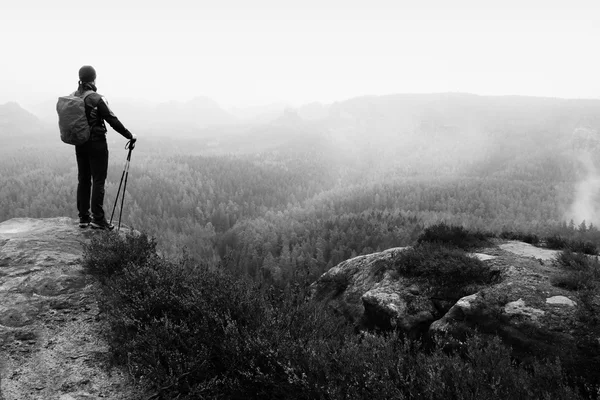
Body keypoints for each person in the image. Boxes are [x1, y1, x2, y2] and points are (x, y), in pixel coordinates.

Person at [74, 65, 137, 230]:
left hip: (80, 144)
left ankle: (83, 218)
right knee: (98, 180)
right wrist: (130, 135)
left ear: (80, 79)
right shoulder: (96, 98)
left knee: (83, 179)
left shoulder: (74, 97)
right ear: (94, 79)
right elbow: (112, 120)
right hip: (97, 144)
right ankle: (98, 218)